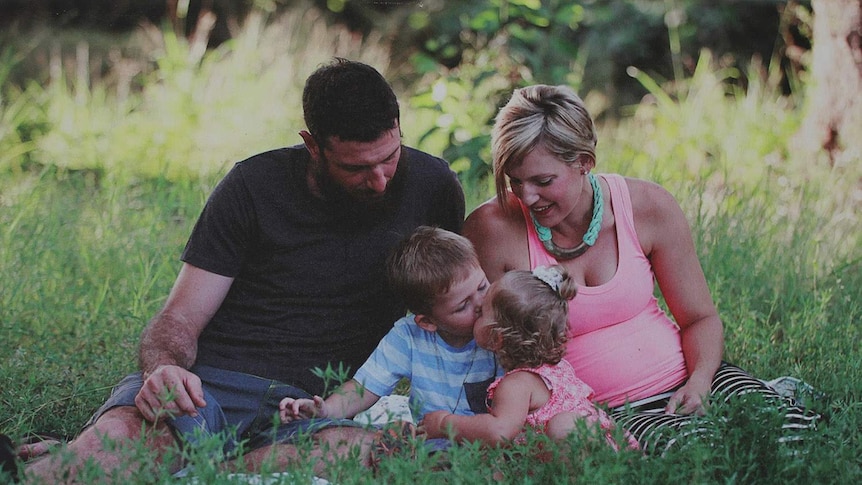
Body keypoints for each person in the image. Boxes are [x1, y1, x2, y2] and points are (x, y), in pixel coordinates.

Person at [9, 58, 466, 482]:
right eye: (356, 168)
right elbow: (179, 318)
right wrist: (163, 370)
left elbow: (460, 299)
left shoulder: (432, 187)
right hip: (211, 387)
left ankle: (196, 465)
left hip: (317, 408)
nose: (380, 180)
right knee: (106, 459)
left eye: (389, 157)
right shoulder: (253, 186)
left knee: (409, 460)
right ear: (312, 145)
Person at [462, 84, 819, 455]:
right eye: (514, 181)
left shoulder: (647, 206)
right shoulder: (493, 230)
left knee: (792, 438)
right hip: (614, 411)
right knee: (697, 458)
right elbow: (464, 335)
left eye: (543, 181)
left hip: (694, 379)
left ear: (584, 161)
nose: (527, 196)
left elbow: (700, 318)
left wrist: (698, 383)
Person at [280, 227, 502, 444]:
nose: (481, 304)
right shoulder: (408, 337)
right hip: (433, 443)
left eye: (482, 286)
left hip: (493, 440)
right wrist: (327, 410)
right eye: (463, 306)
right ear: (428, 322)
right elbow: (363, 388)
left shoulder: (502, 327)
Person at [420, 265, 638, 451]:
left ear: (497, 337)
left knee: (563, 426)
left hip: (591, 464)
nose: (476, 309)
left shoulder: (516, 385)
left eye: (482, 312)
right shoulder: (557, 368)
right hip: (609, 447)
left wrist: (444, 423)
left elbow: (499, 432)